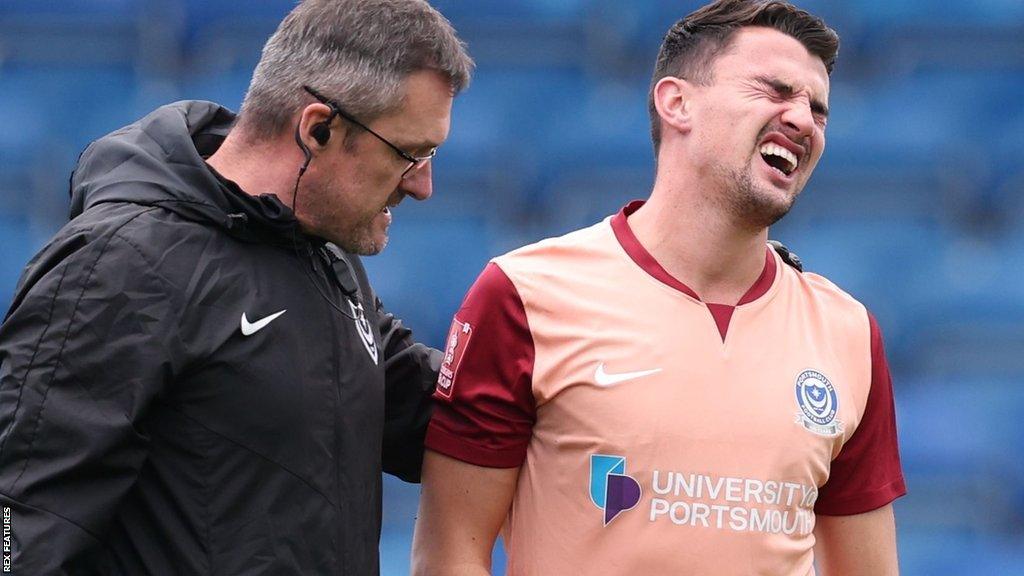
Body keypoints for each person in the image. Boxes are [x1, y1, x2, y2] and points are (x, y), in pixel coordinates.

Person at [412, 1, 905, 574]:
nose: (802, 120)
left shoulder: (847, 332)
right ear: (677, 102)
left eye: (818, 110)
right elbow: (452, 555)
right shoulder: (523, 294)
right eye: (774, 90)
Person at [0, 0, 472, 574]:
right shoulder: (119, 266)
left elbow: (428, 407)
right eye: (410, 154)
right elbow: (19, 528)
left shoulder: (321, 255)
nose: (422, 186)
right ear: (318, 128)